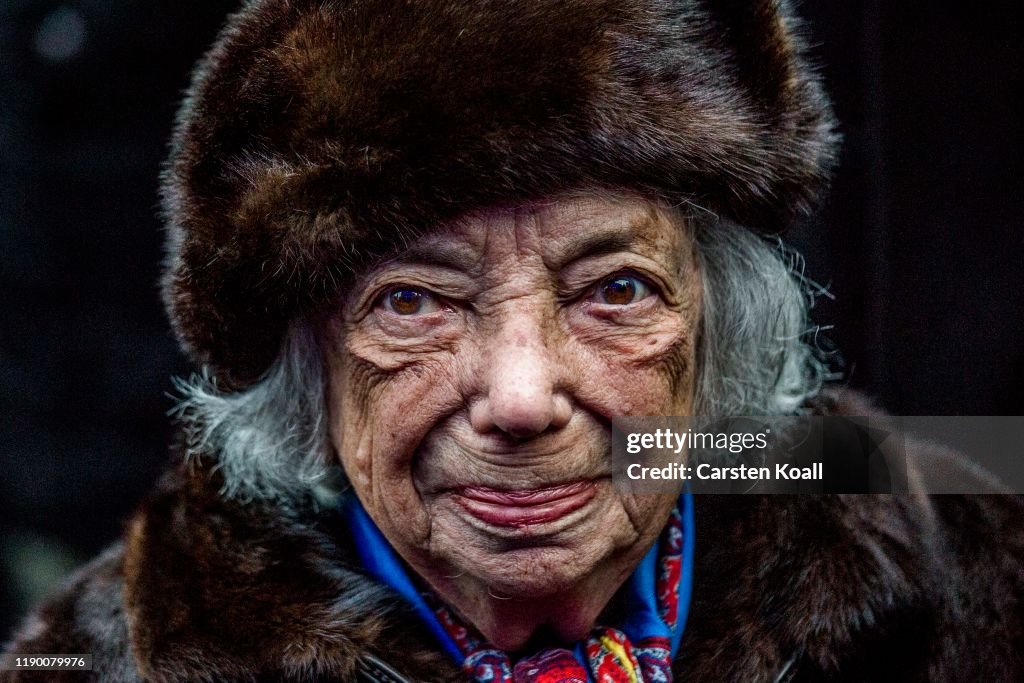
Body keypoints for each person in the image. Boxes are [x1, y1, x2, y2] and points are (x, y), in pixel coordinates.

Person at [3, 1, 1022, 681]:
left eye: (614, 289)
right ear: (308, 367)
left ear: (716, 335)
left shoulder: (970, 571)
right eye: (412, 303)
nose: (522, 396)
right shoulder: (102, 662)